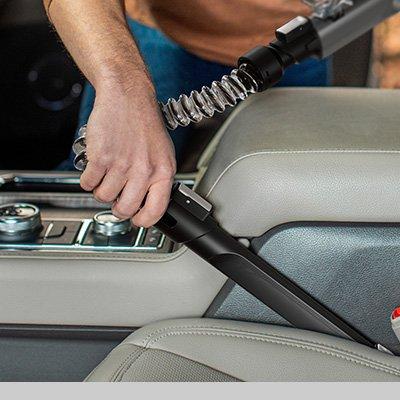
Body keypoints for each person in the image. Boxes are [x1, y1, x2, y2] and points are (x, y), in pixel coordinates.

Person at [44, 0, 331, 228]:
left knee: (298, 199)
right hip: (158, 31)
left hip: (294, 40)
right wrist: (123, 87)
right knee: (109, 179)